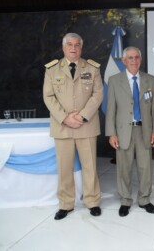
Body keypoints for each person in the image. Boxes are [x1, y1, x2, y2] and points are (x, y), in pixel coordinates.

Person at [43, 33, 103, 220]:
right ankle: (66, 204)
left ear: (81, 48)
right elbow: (48, 97)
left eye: (77, 45)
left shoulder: (92, 68)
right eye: (69, 44)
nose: (73, 48)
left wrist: (83, 116)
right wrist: (64, 118)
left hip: (86, 125)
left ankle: (92, 201)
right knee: (64, 167)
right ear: (63, 47)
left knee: (90, 166)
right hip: (63, 127)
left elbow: (98, 94)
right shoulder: (52, 69)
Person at [105, 46, 154, 217]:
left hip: (144, 129)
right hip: (123, 132)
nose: (134, 60)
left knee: (145, 167)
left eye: (137, 57)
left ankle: (144, 199)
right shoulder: (114, 80)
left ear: (141, 59)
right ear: (124, 61)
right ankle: (125, 200)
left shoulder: (149, 79)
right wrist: (111, 133)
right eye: (130, 57)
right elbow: (111, 109)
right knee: (124, 167)